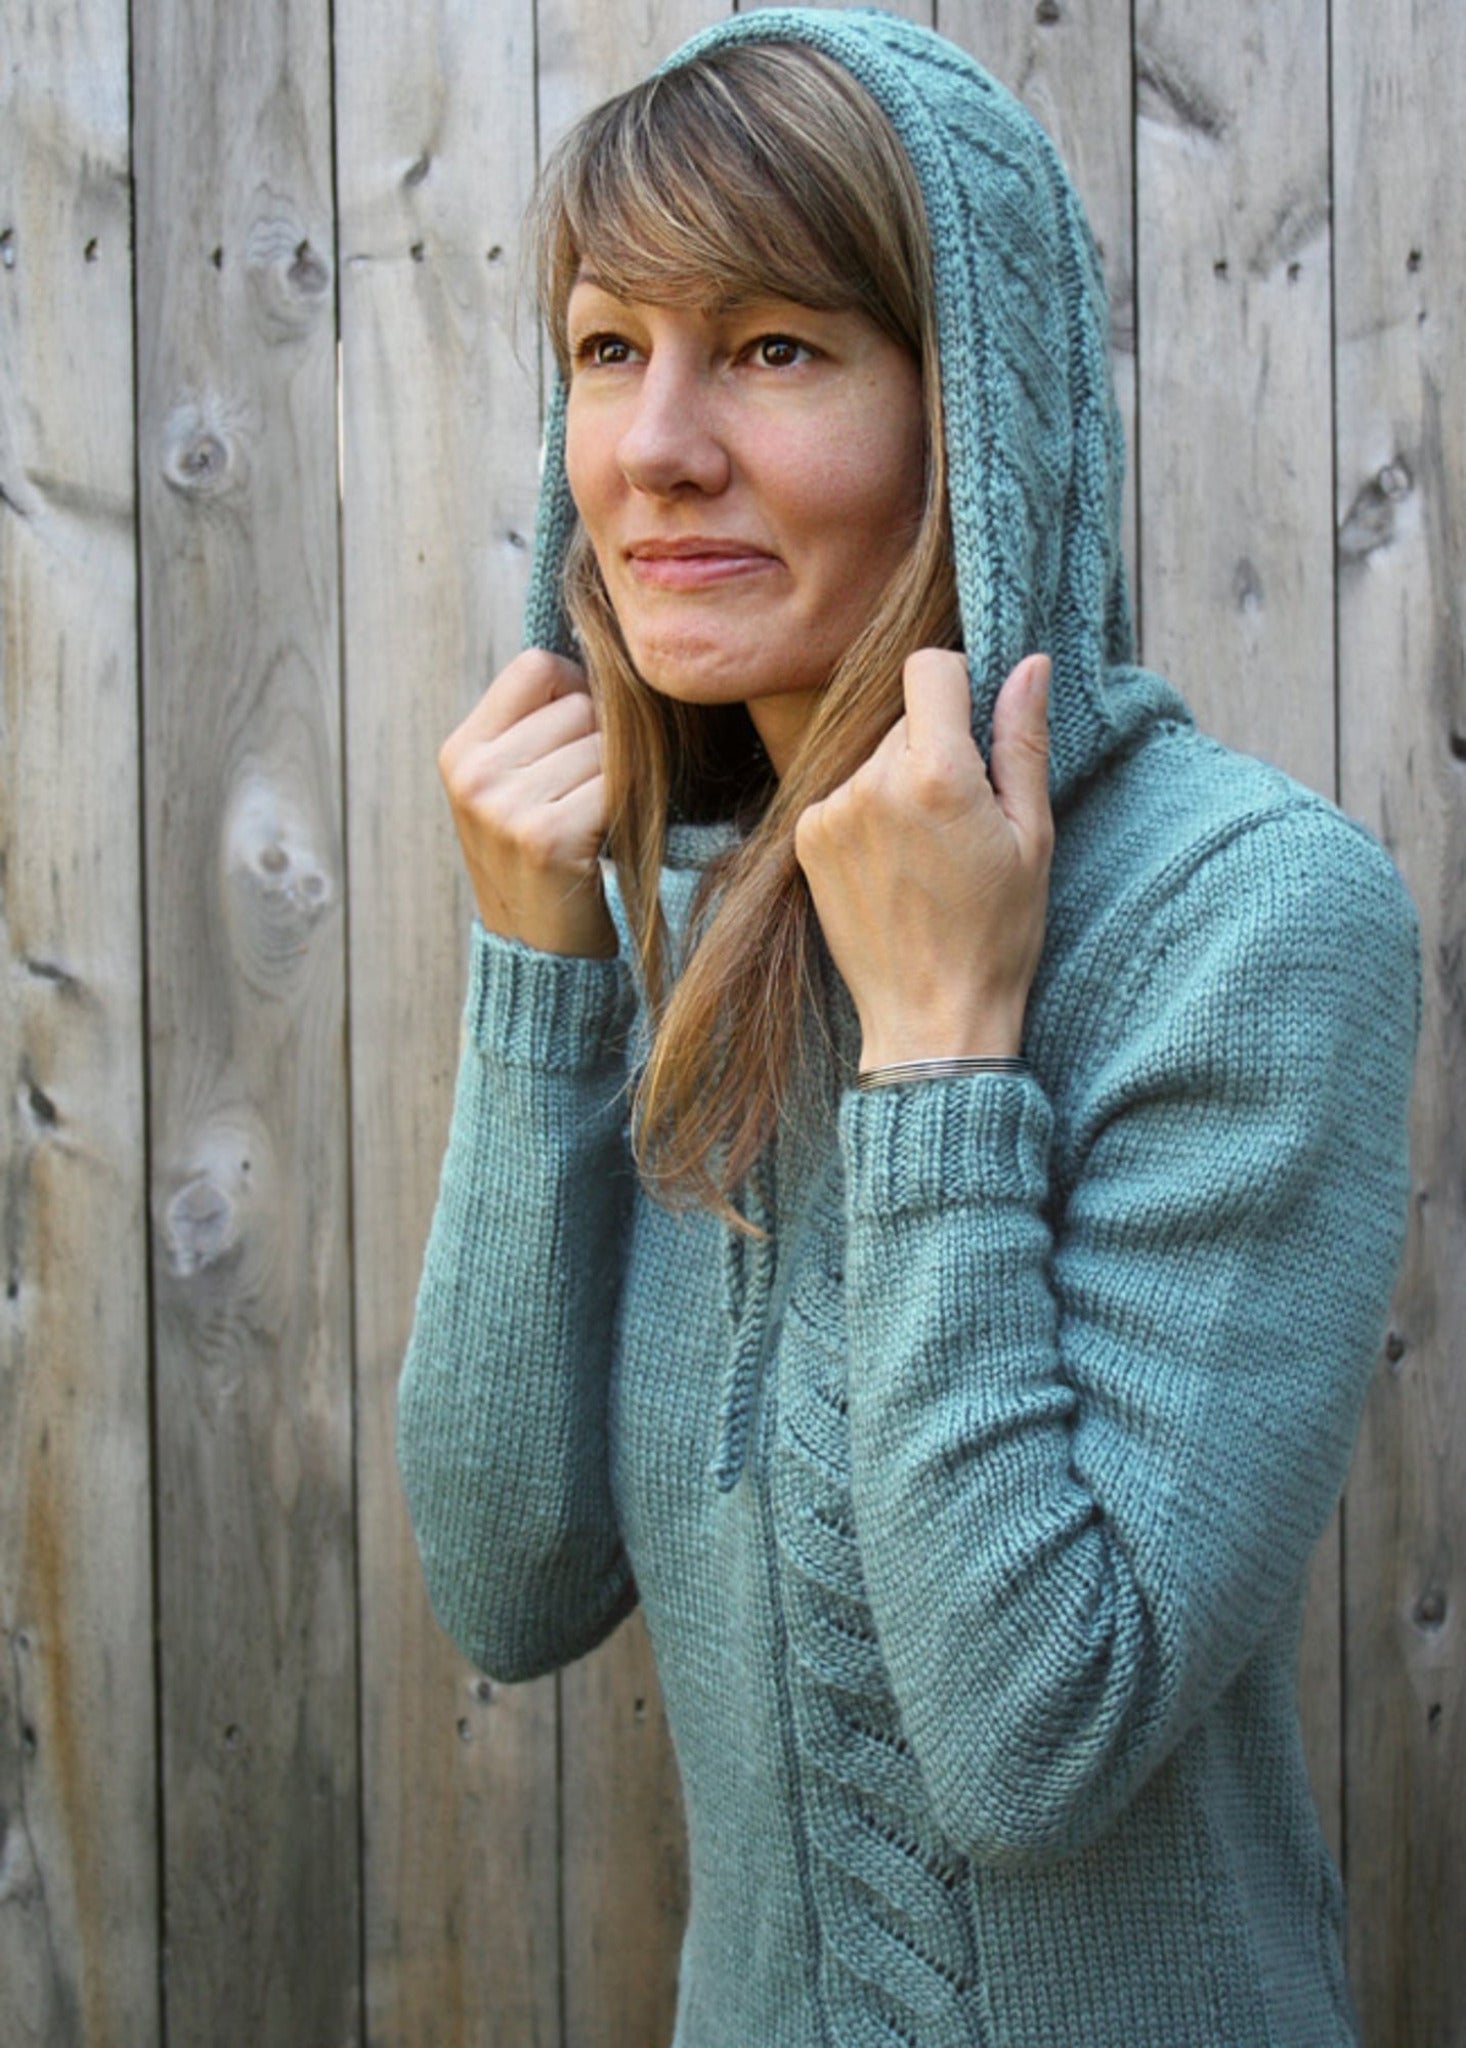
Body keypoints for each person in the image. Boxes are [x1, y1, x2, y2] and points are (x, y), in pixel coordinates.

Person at [398, 11, 1418, 2045]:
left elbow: (1030, 1746)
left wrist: (942, 1059)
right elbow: (509, 1587)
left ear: (977, 409)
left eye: (774, 345)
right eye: (610, 347)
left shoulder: (1251, 916)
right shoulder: (696, 911)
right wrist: (538, 985)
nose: (657, 444)